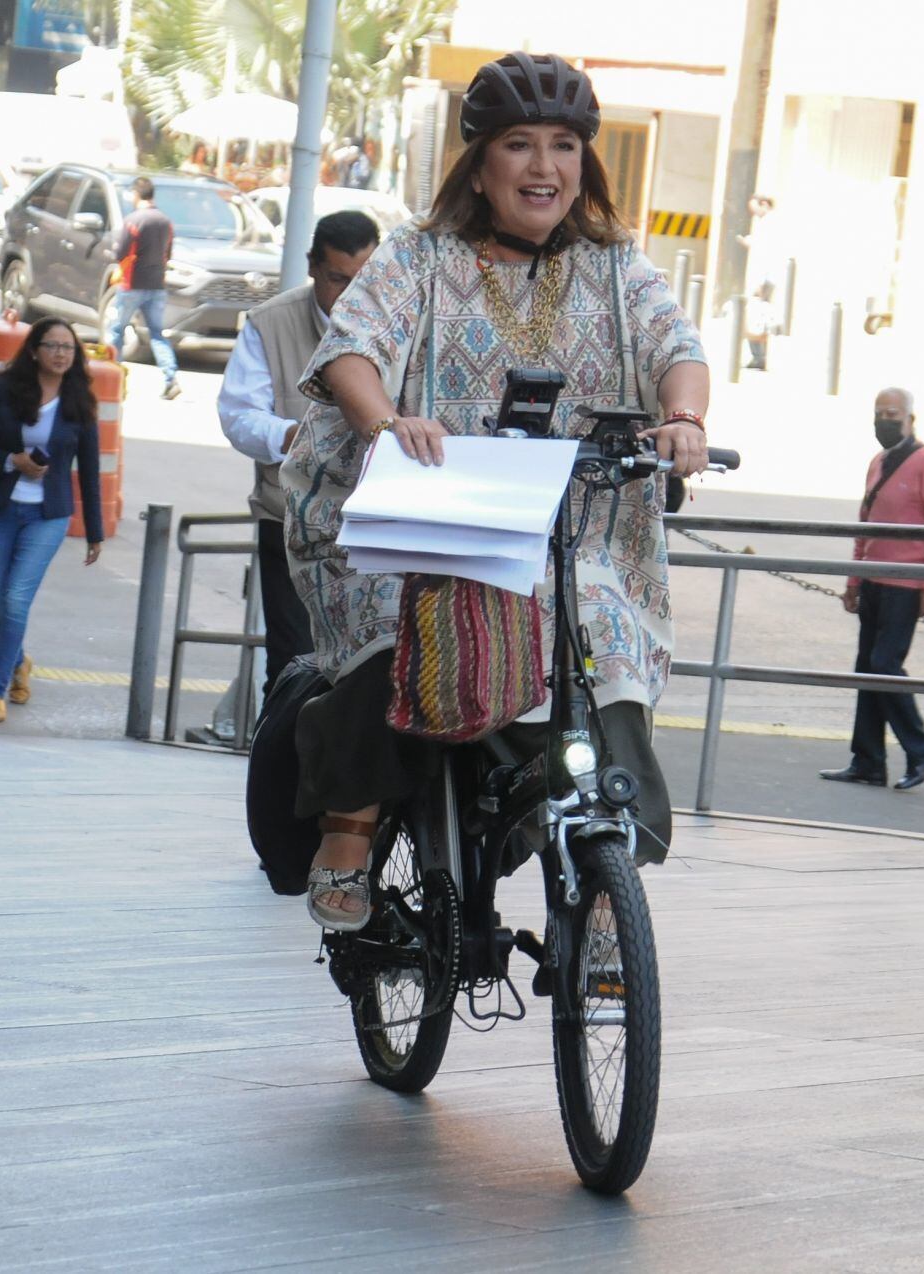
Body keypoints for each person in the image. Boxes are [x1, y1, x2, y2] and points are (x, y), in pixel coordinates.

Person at [281, 53, 711, 931]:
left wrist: (685, 419)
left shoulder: (617, 268)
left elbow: (678, 347)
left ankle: (602, 875)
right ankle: (350, 826)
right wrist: (385, 422)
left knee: (604, 641)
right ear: (478, 161)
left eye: (564, 145)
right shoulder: (417, 256)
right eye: (519, 144)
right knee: (399, 626)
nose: (544, 166)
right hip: (428, 518)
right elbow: (352, 350)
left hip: (566, 532)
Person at [217, 210, 381, 691]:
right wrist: (292, 437)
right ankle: (284, 765)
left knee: (369, 667)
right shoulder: (271, 323)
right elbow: (238, 416)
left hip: (373, 527)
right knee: (293, 667)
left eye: (363, 279)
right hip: (288, 523)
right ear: (312, 267)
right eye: (337, 279)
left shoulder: (400, 323)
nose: (350, 294)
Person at [0, 318, 105, 724]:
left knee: (15, 601)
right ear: (34, 350)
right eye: (52, 346)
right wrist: (10, 461)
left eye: (68, 348)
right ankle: (20, 661)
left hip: (47, 516)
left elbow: (90, 471)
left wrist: (95, 532)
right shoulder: (6, 388)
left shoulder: (80, 400)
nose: (61, 354)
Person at [819, 388, 924, 791]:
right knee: (867, 668)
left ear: (911, 418)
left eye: (892, 414)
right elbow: (867, 526)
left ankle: (920, 749)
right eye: (879, 413)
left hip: (905, 584)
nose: (884, 421)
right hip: (874, 581)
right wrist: (854, 580)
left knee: (885, 666)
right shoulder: (878, 462)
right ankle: (867, 760)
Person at [105, 176, 181, 401]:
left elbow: (121, 253)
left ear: (137, 195)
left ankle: (113, 379)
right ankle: (171, 379)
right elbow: (169, 254)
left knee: (117, 330)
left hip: (132, 284)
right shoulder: (166, 222)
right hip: (157, 284)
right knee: (157, 334)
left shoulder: (133, 220)